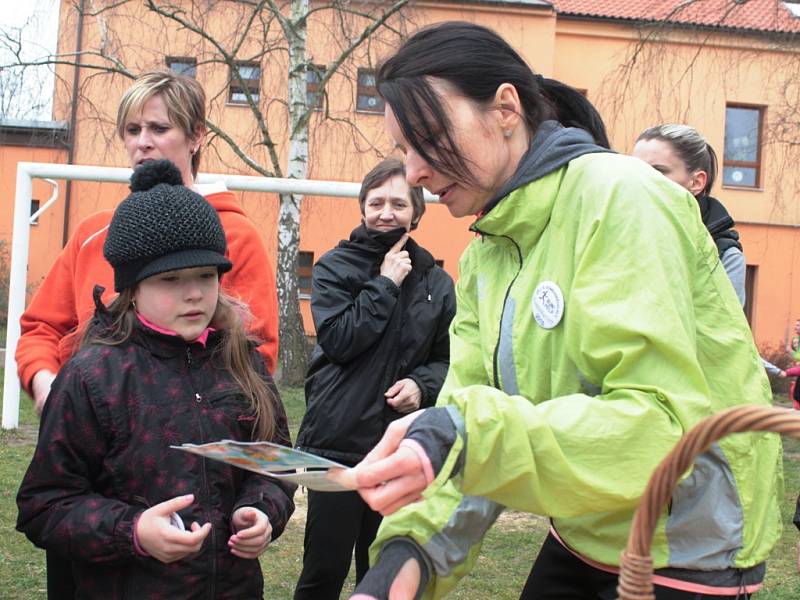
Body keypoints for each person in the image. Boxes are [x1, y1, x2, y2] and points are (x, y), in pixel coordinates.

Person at [327, 22, 783, 600]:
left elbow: (660, 427)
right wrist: (405, 557)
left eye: (428, 138)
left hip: (686, 546)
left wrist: (463, 436)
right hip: (582, 529)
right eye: (402, 150)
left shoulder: (622, 196)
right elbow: (468, 421)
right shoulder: (488, 255)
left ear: (506, 108)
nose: (414, 171)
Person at [16, 160, 296, 600]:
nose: (194, 293)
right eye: (171, 279)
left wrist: (261, 511)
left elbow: (276, 466)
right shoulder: (92, 377)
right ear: (132, 288)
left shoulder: (243, 363)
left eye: (206, 275)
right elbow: (44, 505)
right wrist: (134, 532)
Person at [16, 68, 280, 418]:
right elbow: (41, 328)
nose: (142, 142)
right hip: (88, 433)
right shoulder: (92, 233)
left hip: (186, 443)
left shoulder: (233, 234)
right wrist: (48, 384)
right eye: (132, 130)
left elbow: (255, 353)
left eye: (159, 128)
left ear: (196, 136)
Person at [293, 158, 456, 599]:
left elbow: (448, 360)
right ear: (362, 207)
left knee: (383, 570)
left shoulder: (437, 283)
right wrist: (384, 283)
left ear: (417, 212)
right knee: (323, 571)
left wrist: (423, 386)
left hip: (399, 449)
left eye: (399, 203)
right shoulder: (333, 267)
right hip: (335, 442)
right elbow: (341, 340)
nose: (387, 212)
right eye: (377, 202)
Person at [632, 124, 786, 379]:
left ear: (696, 182)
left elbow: (719, 339)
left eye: (658, 171)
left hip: (684, 395)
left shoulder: (724, 255)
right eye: (635, 170)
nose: (641, 180)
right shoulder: (618, 230)